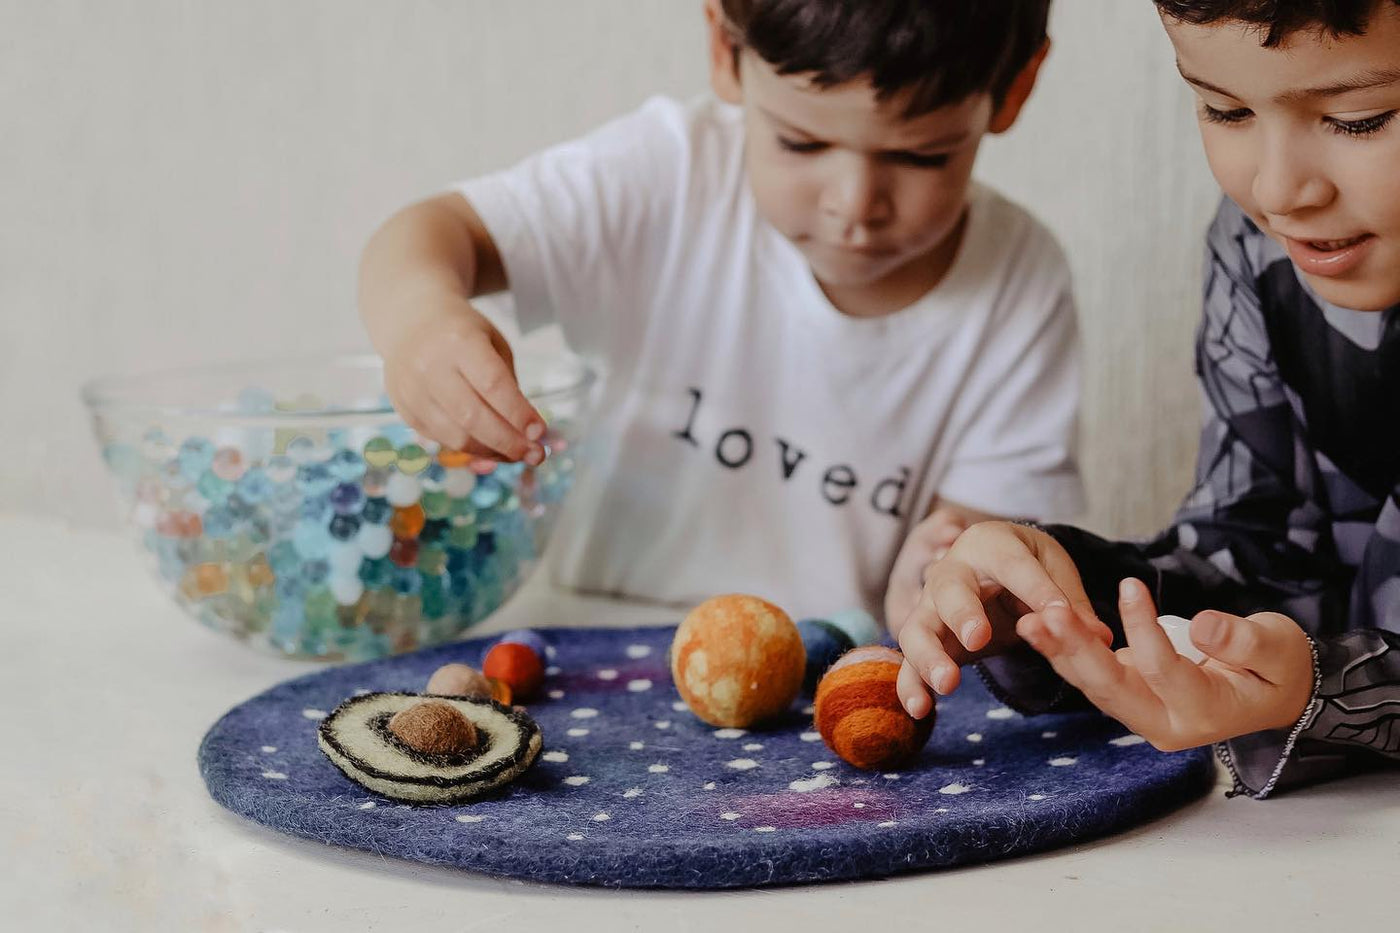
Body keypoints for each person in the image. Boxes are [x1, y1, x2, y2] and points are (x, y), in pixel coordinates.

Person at [358, 0, 1084, 621]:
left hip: (824, 691)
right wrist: (420, 319)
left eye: (923, 156)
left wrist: (943, 585)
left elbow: (982, 554)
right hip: (594, 648)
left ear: (1015, 89)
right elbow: (428, 233)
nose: (854, 205)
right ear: (724, 50)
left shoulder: (1019, 282)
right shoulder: (669, 173)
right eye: (801, 142)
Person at [896, 0, 1400, 798]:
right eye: (1224, 108)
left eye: (1360, 118)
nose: (1279, 189)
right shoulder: (1262, 247)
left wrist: (1321, 689)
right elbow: (1261, 552)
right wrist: (1053, 605)